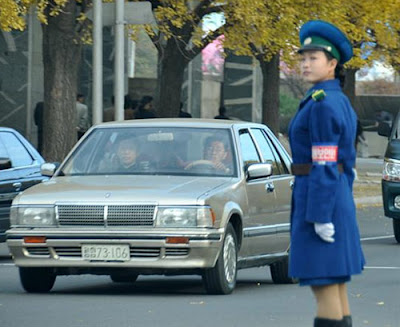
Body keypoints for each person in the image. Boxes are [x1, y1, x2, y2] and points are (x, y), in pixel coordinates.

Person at [288, 20, 365, 327]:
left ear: (332, 63)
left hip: (319, 201)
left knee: (324, 287)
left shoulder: (321, 104)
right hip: (334, 197)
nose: (306, 64)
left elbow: (324, 162)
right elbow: (347, 162)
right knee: (335, 285)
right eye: (303, 58)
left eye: (313, 58)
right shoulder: (335, 99)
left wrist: (320, 214)